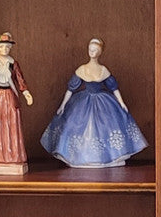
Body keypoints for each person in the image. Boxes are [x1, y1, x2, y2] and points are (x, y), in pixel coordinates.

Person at [40, 37, 147, 167]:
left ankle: (108, 158)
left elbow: (114, 88)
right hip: (83, 102)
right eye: (91, 49)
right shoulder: (82, 69)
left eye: (95, 50)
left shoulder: (103, 70)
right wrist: (63, 105)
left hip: (103, 102)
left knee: (106, 126)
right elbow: (70, 89)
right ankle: (81, 157)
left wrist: (121, 103)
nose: (92, 52)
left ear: (100, 52)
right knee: (76, 124)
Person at [0, 32, 33, 175]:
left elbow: (19, 79)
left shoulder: (12, 63)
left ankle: (13, 155)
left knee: (11, 124)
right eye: (2, 46)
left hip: (10, 96)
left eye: (7, 47)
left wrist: (26, 92)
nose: (5, 49)